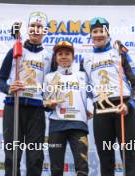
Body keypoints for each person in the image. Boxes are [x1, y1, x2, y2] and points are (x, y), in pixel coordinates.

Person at [82, 17, 135, 176]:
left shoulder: (119, 53)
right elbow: (86, 89)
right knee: (105, 161)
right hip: (101, 111)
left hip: (123, 109)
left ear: (107, 33)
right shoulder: (86, 59)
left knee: (128, 159)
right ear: (90, 35)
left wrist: (129, 105)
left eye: (101, 31)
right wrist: (86, 107)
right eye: (94, 31)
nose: (98, 34)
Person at [0, 12, 51, 176]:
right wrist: (9, 88)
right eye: (33, 26)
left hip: (36, 111)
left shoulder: (48, 56)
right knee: (12, 155)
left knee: (35, 157)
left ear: (44, 31)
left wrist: (49, 104)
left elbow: (52, 87)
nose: (36, 29)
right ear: (28, 29)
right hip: (14, 106)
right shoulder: (15, 50)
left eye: (40, 27)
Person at [44, 40, 90, 176]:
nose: (64, 56)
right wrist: (49, 104)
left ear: (73, 56)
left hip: (78, 125)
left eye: (67, 53)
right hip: (57, 125)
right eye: (60, 54)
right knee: (56, 167)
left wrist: (91, 109)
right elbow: (44, 101)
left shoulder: (82, 76)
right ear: (55, 58)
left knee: (82, 166)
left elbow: (91, 94)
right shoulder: (49, 77)